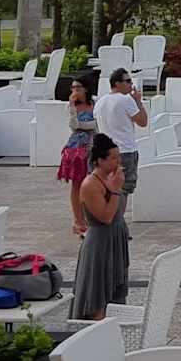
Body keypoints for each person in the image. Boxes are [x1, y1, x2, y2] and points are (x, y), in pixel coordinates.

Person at [70, 133, 129, 320]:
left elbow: (119, 211)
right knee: (98, 291)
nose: (118, 162)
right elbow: (105, 217)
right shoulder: (90, 184)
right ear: (100, 161)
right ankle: (98, 326)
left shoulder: (111, 179)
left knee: (113, 291)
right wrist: (115, 190)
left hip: (115, 239)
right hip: (100, 244)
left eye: (118, 157)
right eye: (113, 158)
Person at [101, 68, 151, 192]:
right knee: (123, 191)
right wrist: (138, 102)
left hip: (105, 152)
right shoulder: (125, 100)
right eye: (128, 81)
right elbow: (143, 122)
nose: (131, 84)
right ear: (117, 83)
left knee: (108, 189)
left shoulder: (101, 102)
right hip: (125, 151)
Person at [55, 77, 99, 184]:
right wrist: (72, 106)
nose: (75, 90)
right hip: (77, 145)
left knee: (93, 178)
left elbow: (96, 124)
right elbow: (73, 126)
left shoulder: (95, 102)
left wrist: (80, 125)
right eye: (73, 87)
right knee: (77, 181)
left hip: (93, 142)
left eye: (78, 87)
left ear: (85, 89)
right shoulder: (71, 106)